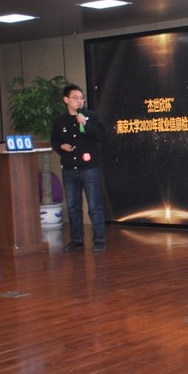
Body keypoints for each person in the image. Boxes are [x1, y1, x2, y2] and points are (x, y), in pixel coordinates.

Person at [50, 83, 107, 252]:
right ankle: (76, 240)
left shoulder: (91, 117)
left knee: (94, 206)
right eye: (75, 98)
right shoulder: (60, 121)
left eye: (82, 98)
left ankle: (99, 240)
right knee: (73, 207)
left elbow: (103, 137)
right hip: (69, 169)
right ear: (66, 100)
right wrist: (61, 146)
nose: (79, 101)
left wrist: (86, 124)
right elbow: (55, 140)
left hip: (89, 169)